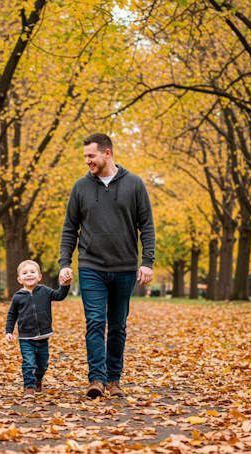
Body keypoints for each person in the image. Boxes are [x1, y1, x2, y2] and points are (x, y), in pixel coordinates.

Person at [58, 133, 155, 399]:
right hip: (91, 266)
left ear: (107, 153)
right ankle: (97, 380)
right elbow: (69, 228)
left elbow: (146, 225)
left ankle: (114, 380)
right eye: (85, 156)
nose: (87, 161)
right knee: (95, 322)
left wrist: (147, 262)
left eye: (91, 156)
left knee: (117, 326)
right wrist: (65, 262)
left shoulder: (134, 184)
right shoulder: (80, 187)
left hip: (125, 267)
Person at [5, 260, 71, 395]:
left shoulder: (45, 291)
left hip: (43, 337)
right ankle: (29, 387)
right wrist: (9, 331)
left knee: (43, 365)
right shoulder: (18, 297)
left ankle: (37, 380)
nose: (29, 275)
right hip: (26, 338)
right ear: (19, 279)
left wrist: (65, 285)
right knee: (29, 363)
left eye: (32, 272)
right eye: (25, 273)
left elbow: (59, 295)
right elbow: (12, 315)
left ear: (39, 276)